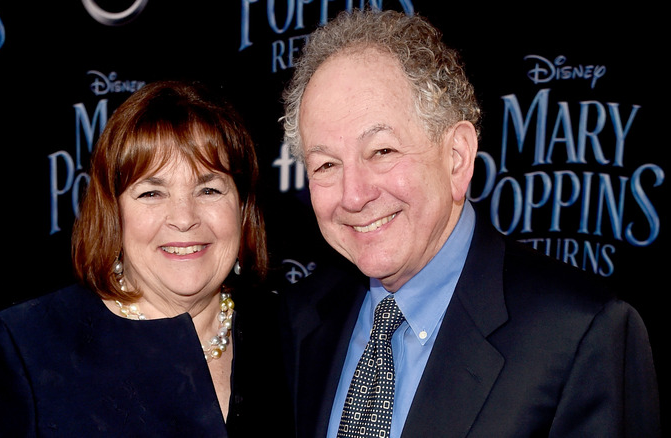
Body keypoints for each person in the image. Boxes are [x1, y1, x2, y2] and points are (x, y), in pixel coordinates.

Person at [279, 9, 660, 438]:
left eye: (382, 152)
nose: (353, 195)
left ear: (457, 157)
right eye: (326, 164)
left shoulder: (581, 336)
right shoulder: (296, 321)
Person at [0, 80, 293, 437]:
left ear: (242, 208)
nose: (183, 218)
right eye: (151, 192)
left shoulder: (290, 337)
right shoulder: (28, 349)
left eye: (208, 189)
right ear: (112, 213)